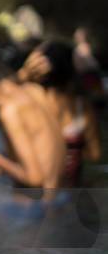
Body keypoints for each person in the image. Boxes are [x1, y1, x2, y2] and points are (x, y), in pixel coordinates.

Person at [16, 41, 101, 186]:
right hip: (70, 187)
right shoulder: (81, 106)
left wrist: (22, 76)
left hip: (35, 190)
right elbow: (94, 154)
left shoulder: (29, 102)